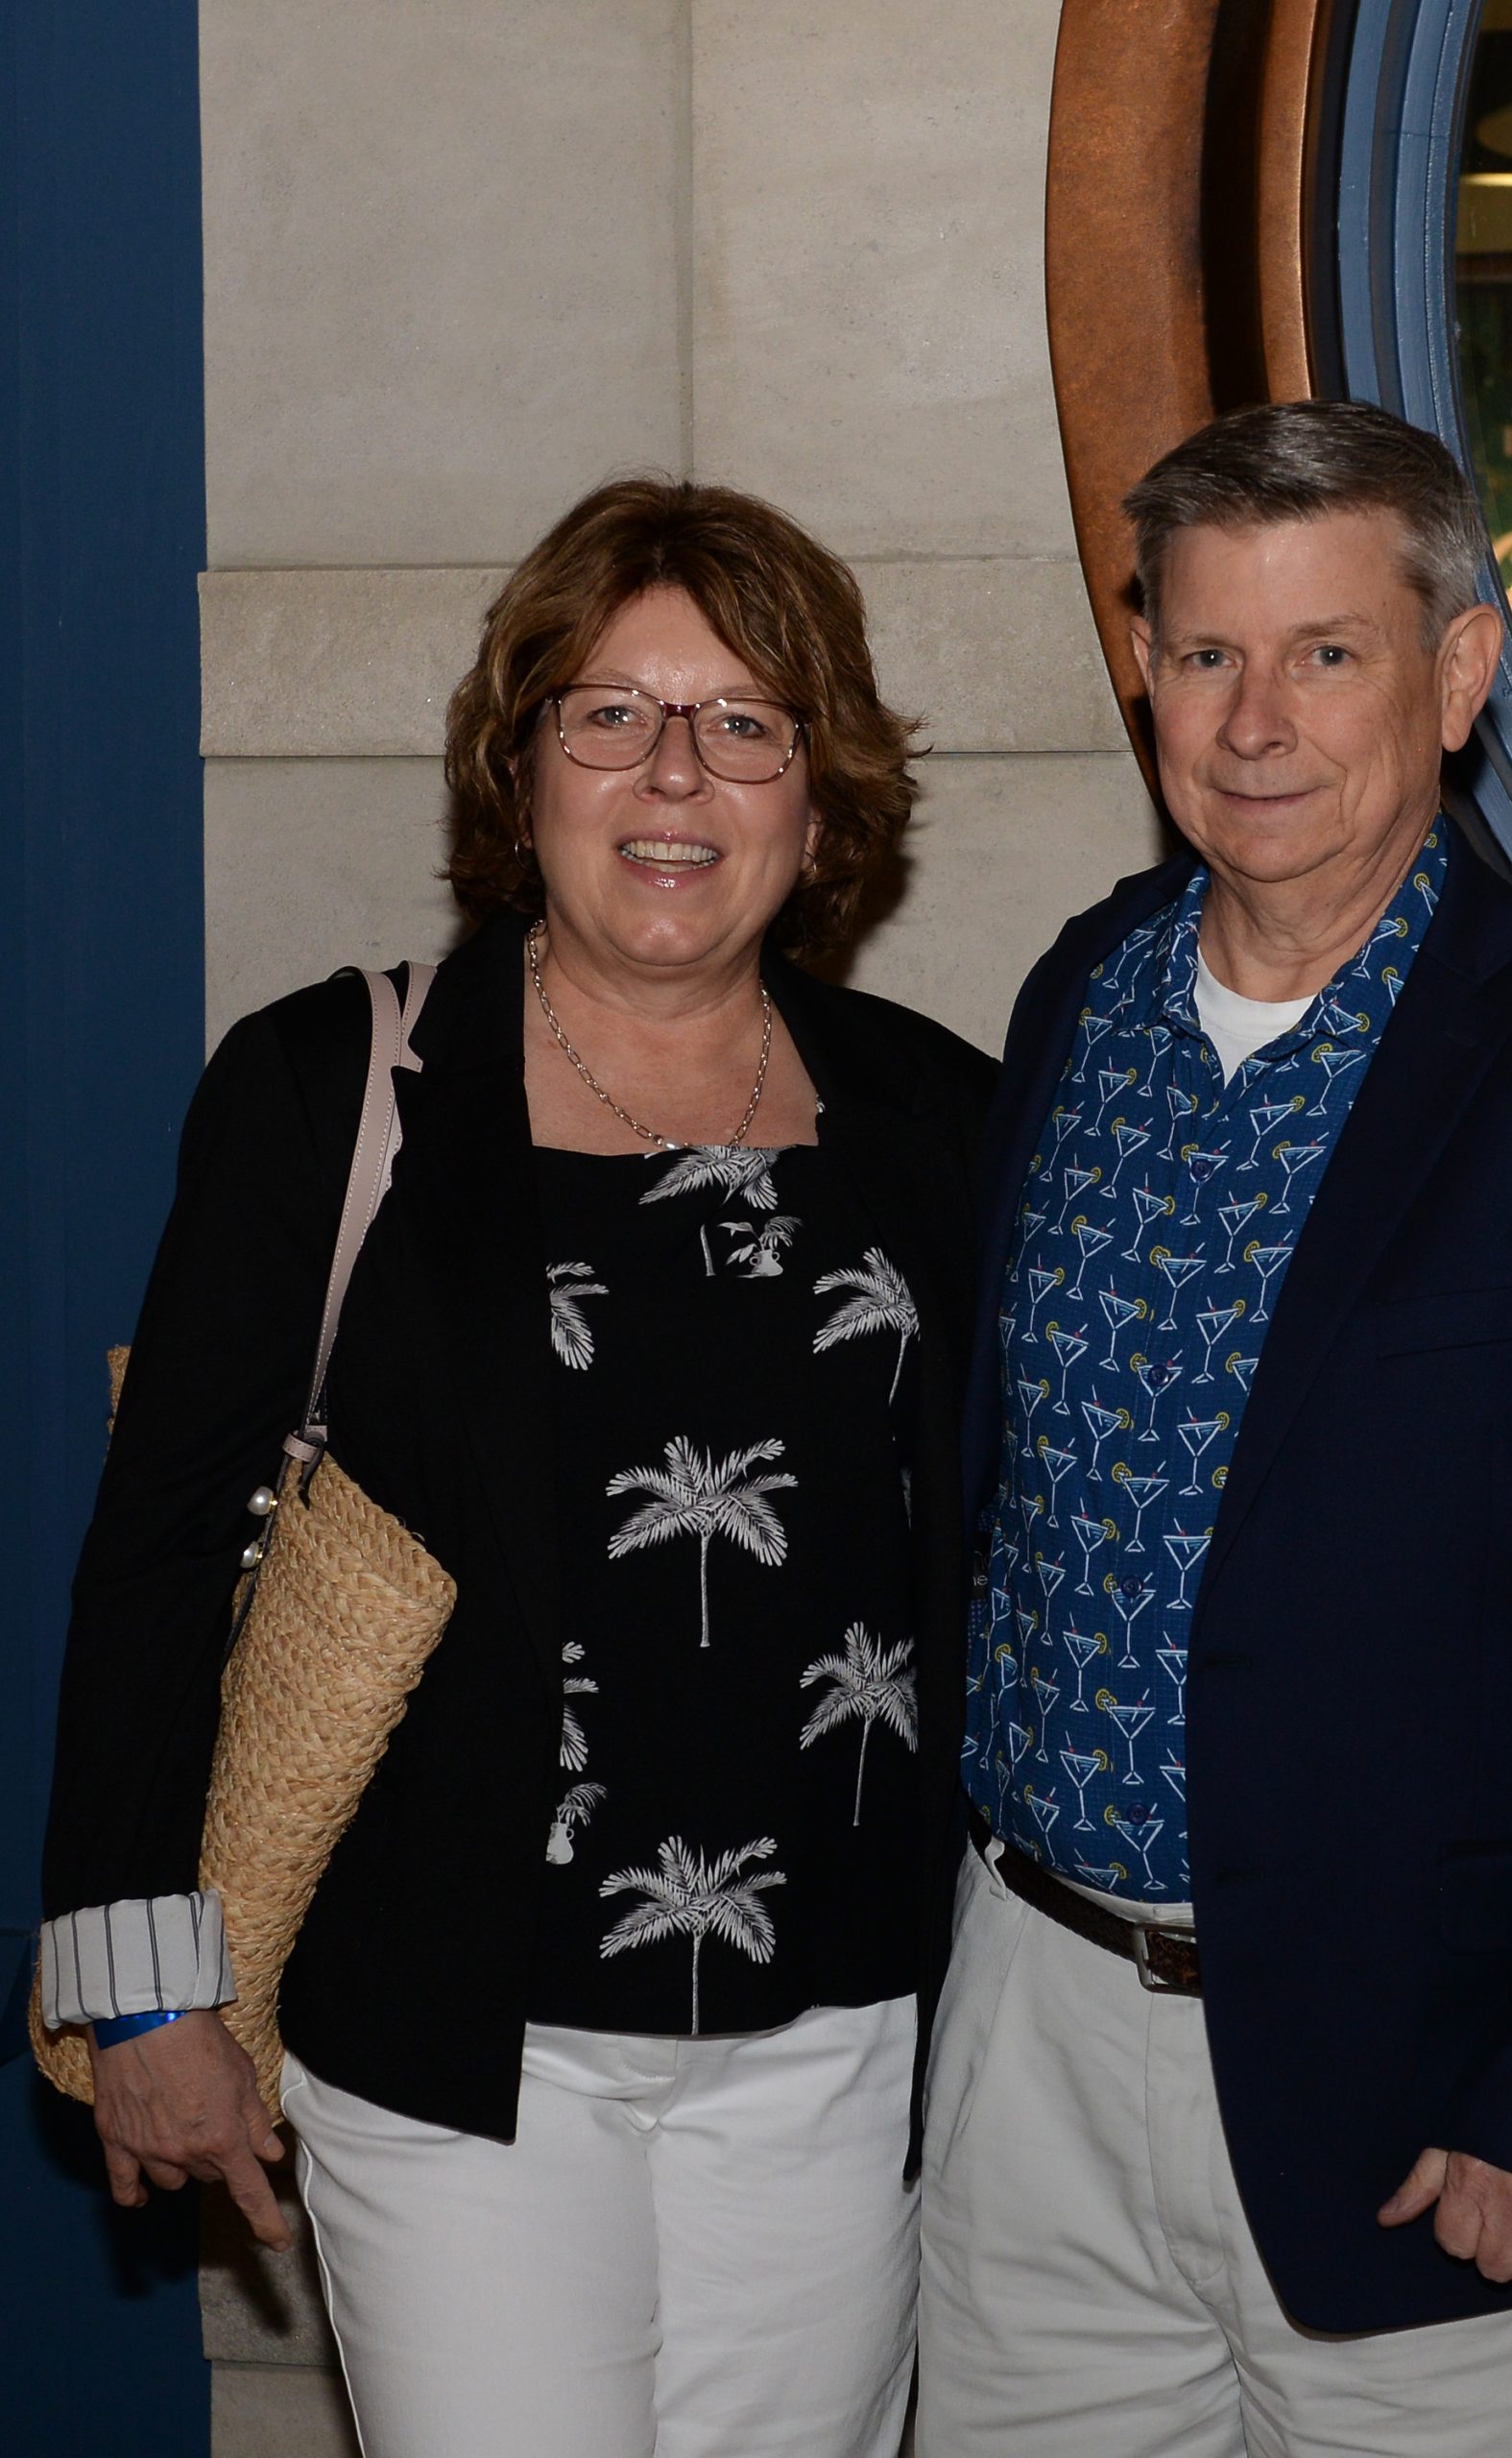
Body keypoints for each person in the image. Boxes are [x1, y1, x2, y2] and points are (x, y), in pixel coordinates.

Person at [39, 476, 996, 2458]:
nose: (675, 772)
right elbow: (158, 1551)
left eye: (745, 722)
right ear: (520, 767)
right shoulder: (337, 1088)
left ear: (822, 804)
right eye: (610, 712)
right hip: (461, 2038)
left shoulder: (934, 1113)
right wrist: (139, 1991)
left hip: (843, 2036)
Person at [919, 399, 1512, 2456]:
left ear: (1461, 668)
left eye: (1327, 651)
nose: (1255, 722)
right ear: (1142, 664)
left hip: (1446, 2102)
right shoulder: (1075, 1001)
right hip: (1033, 2066)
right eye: (1205, 651)